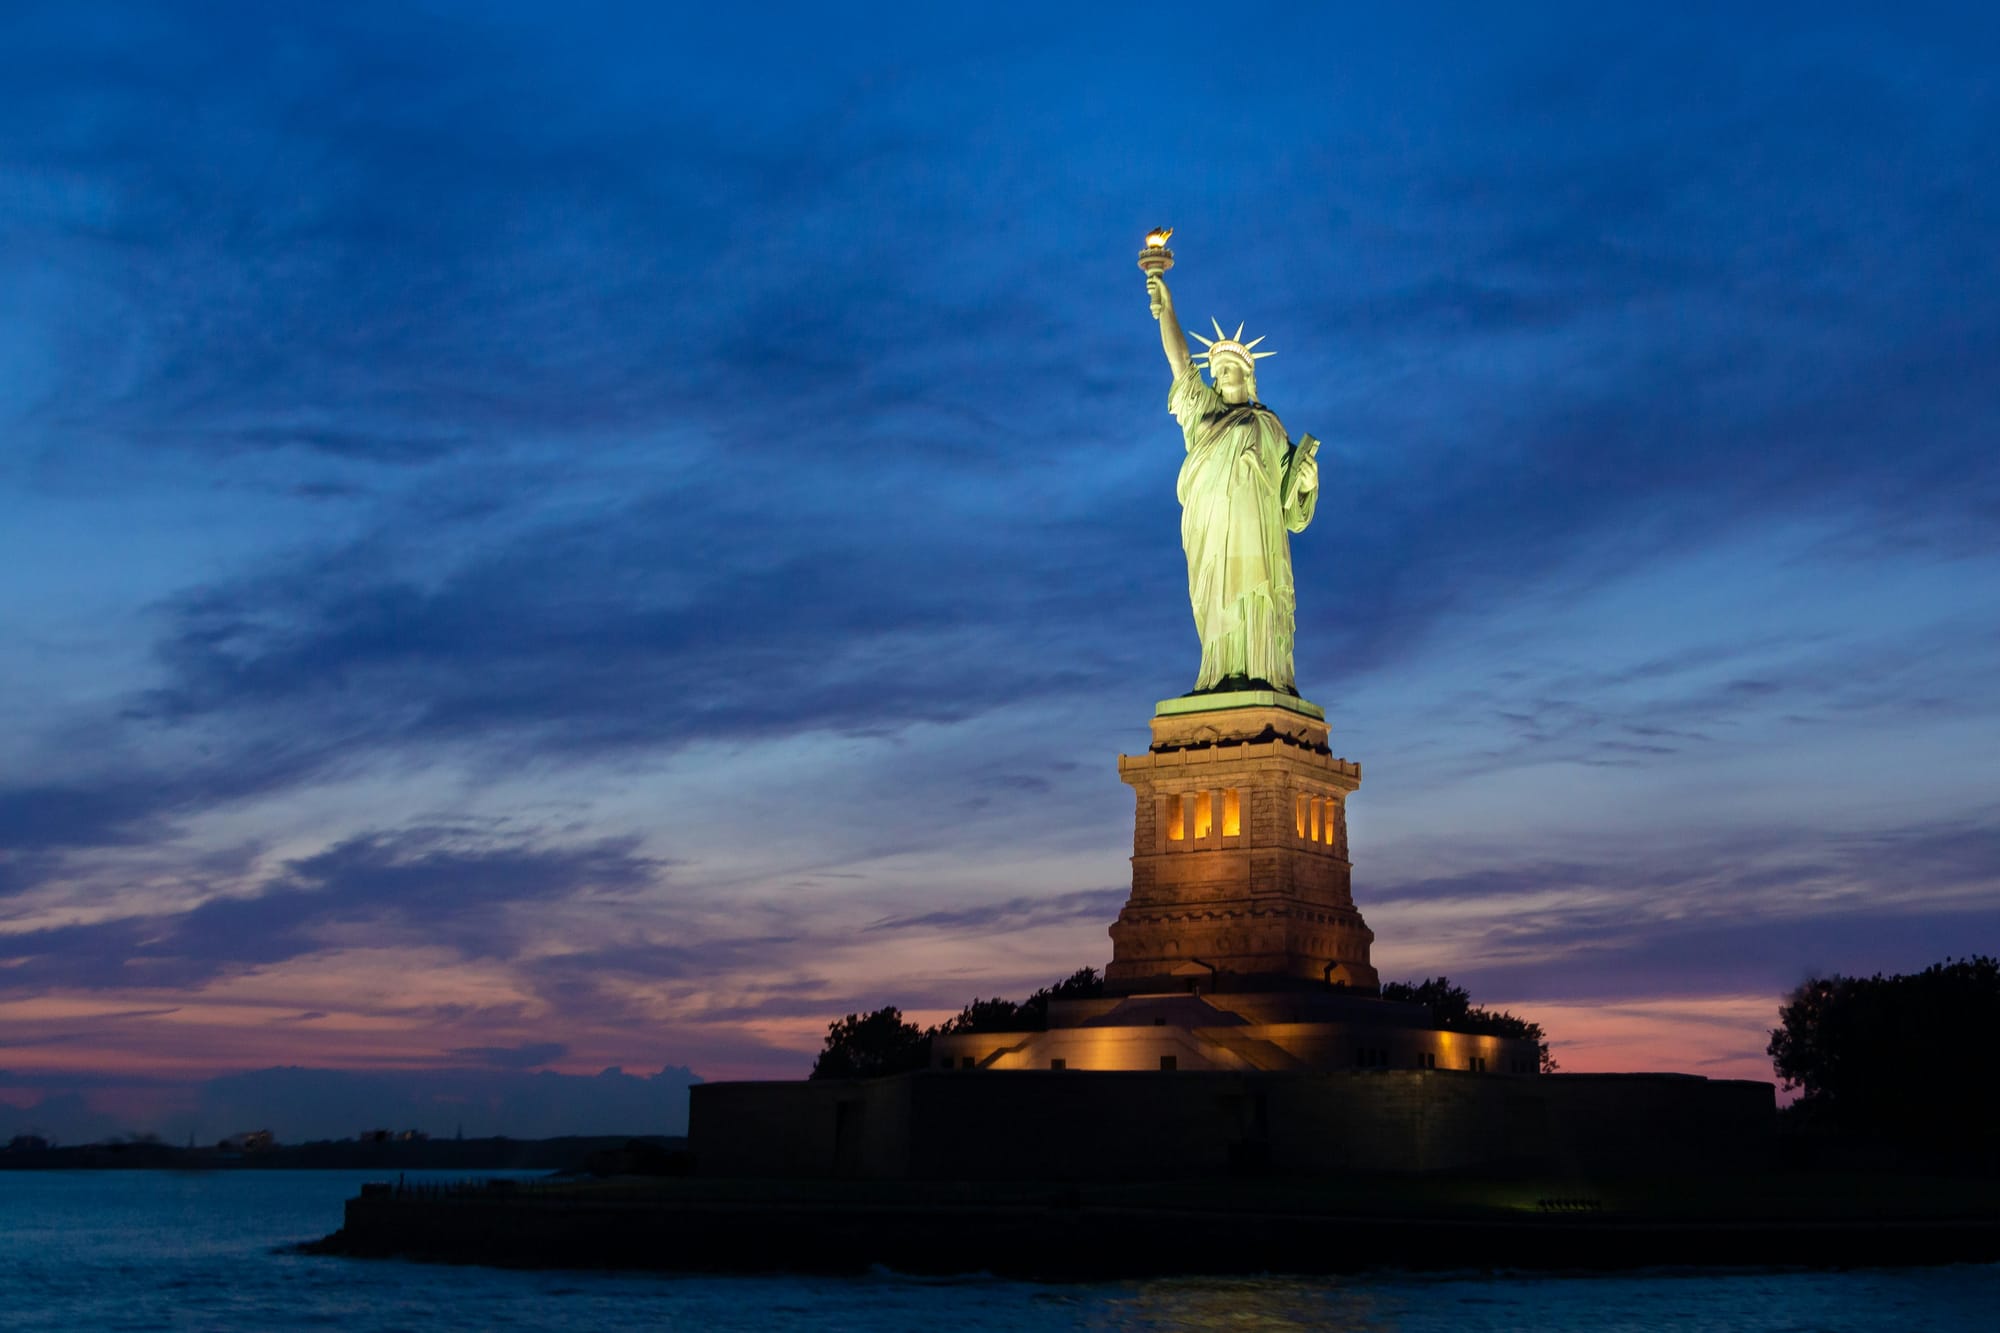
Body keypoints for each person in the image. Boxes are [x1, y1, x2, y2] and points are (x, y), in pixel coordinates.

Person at [1146, 271, 1318, 693]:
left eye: (1229, 368)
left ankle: (1261, 672)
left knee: (1255, 599)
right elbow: (1180, 363)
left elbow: (1291, 510)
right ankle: (1219, 672)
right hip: (1213, 530)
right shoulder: (1203, 414)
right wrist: (1166, 308)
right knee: (1217, 601)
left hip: (1257, 534)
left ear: (1248, 375)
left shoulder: (1270, 426)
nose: (1220, 373)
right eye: (1216, 369)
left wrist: (1307, 483)